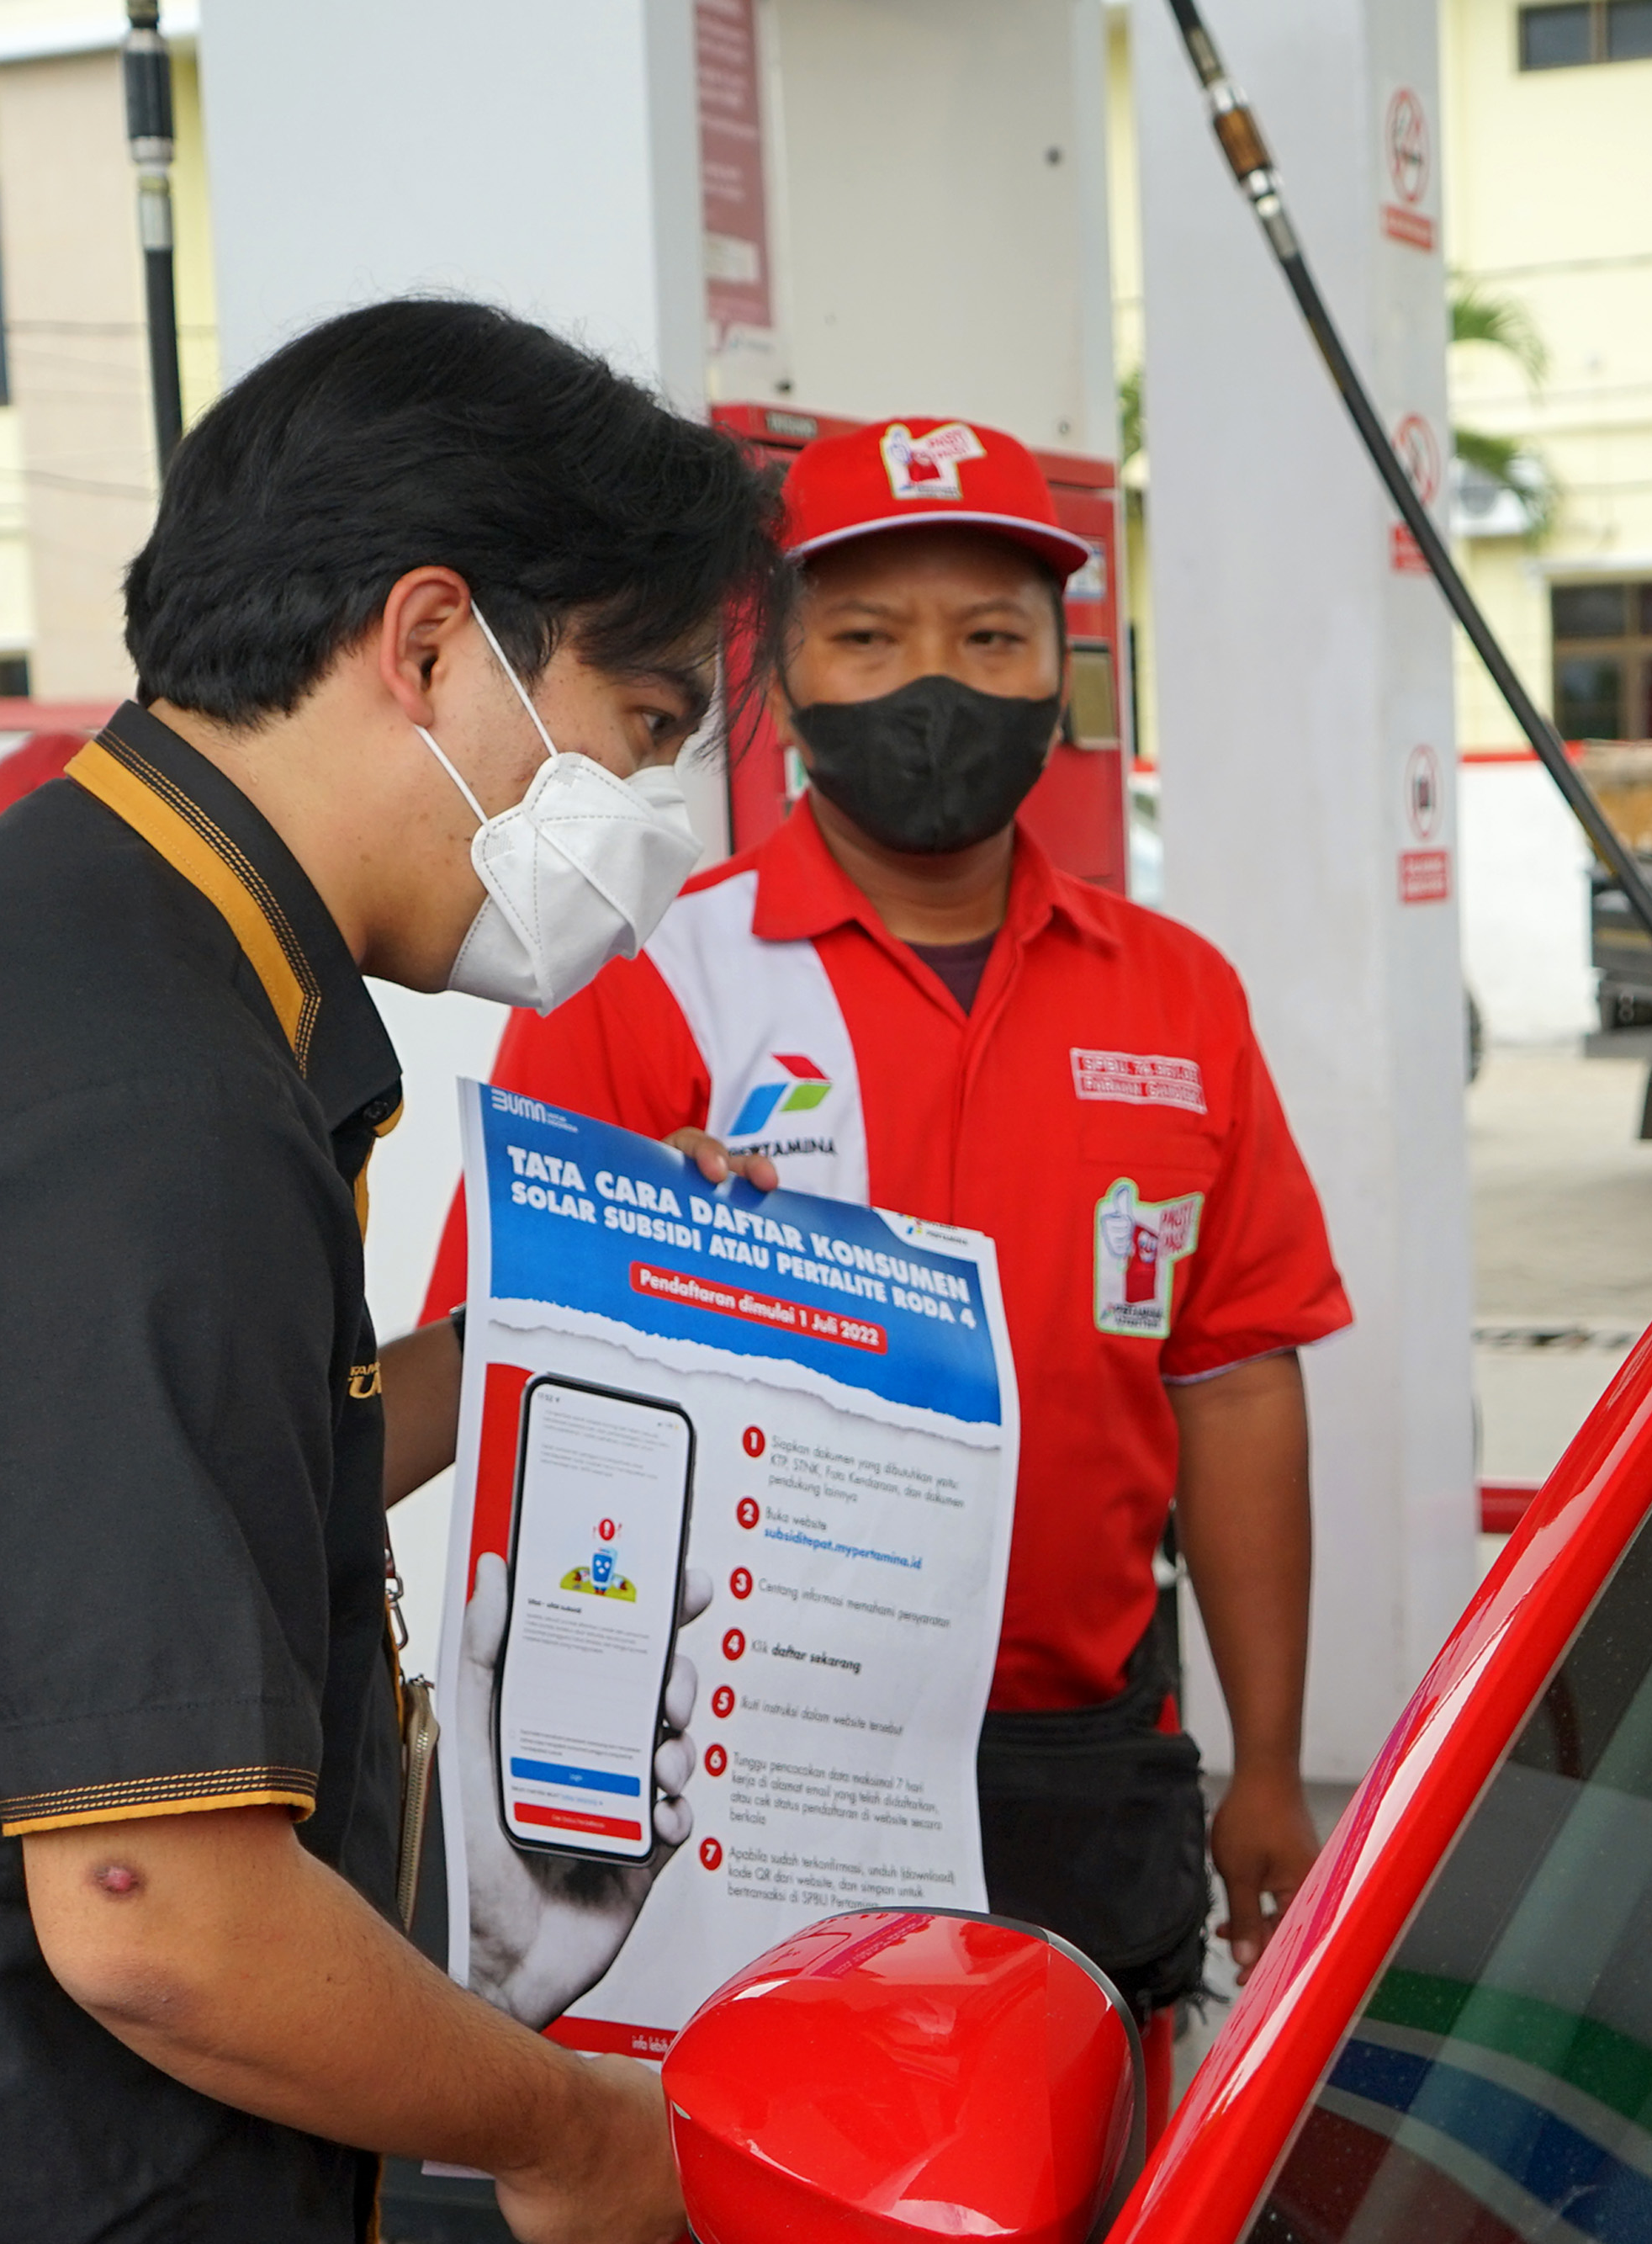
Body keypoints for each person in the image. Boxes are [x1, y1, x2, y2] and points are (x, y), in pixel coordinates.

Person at [0, 298, 779, 2244]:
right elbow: (155, 1915)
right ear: (430, 644)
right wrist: (568, 2129)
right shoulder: (137, 1107)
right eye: (645, 729)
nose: (656, 828)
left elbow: (166, 1490)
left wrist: (560, 1317)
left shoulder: (27, 945)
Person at [396, 414, 1348, 2092]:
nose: (935, 685)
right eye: (867, 635)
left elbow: (1236, 1380)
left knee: (1083, 2160)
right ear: (782, 670)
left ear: (1062, 670)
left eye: (989, 637)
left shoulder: (1177, 996)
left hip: (1083, 1762)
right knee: (762, 2162)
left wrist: (1264, 1763)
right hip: (747, 1775)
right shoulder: (651, 980)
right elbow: (511, 1369)